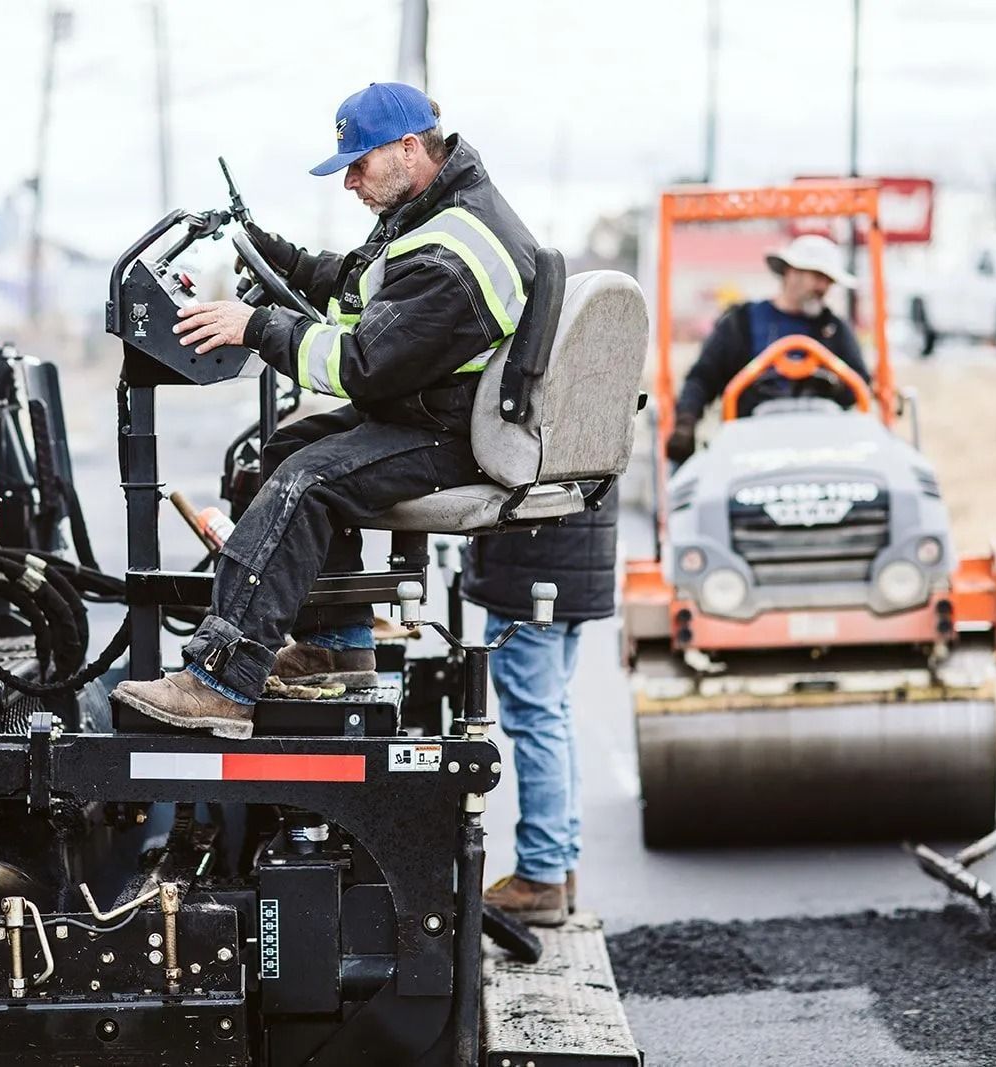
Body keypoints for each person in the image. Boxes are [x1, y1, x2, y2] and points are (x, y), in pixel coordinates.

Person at [113, 82, 538, 739]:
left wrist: (256, 326)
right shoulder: (434, 210)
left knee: (304, 481)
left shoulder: (457, 250)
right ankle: (334, 649)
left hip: (455, 430)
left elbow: (365, 364)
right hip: (433, 406)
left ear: (405, 150)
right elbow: (369, 289)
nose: (350, 184)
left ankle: (221, 681)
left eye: (357, 166)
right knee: (283, 449)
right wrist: (287, 261)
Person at [465, 487, 618, 926]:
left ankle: (540, 877)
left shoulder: (549, 414)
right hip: (567, 565)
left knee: (537, 722)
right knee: (553, 716)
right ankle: (558, 866)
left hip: (530, 568)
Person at [665, 234, 869, 463]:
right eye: (818, 276)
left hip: (822, 447)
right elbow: (703, 378)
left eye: (829, 281)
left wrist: (834, 387)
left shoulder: (835, 330)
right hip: (749, 447)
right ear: (791, 272)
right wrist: (685, 423)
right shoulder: (741, 323)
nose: (824, 287)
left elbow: (859, 384)